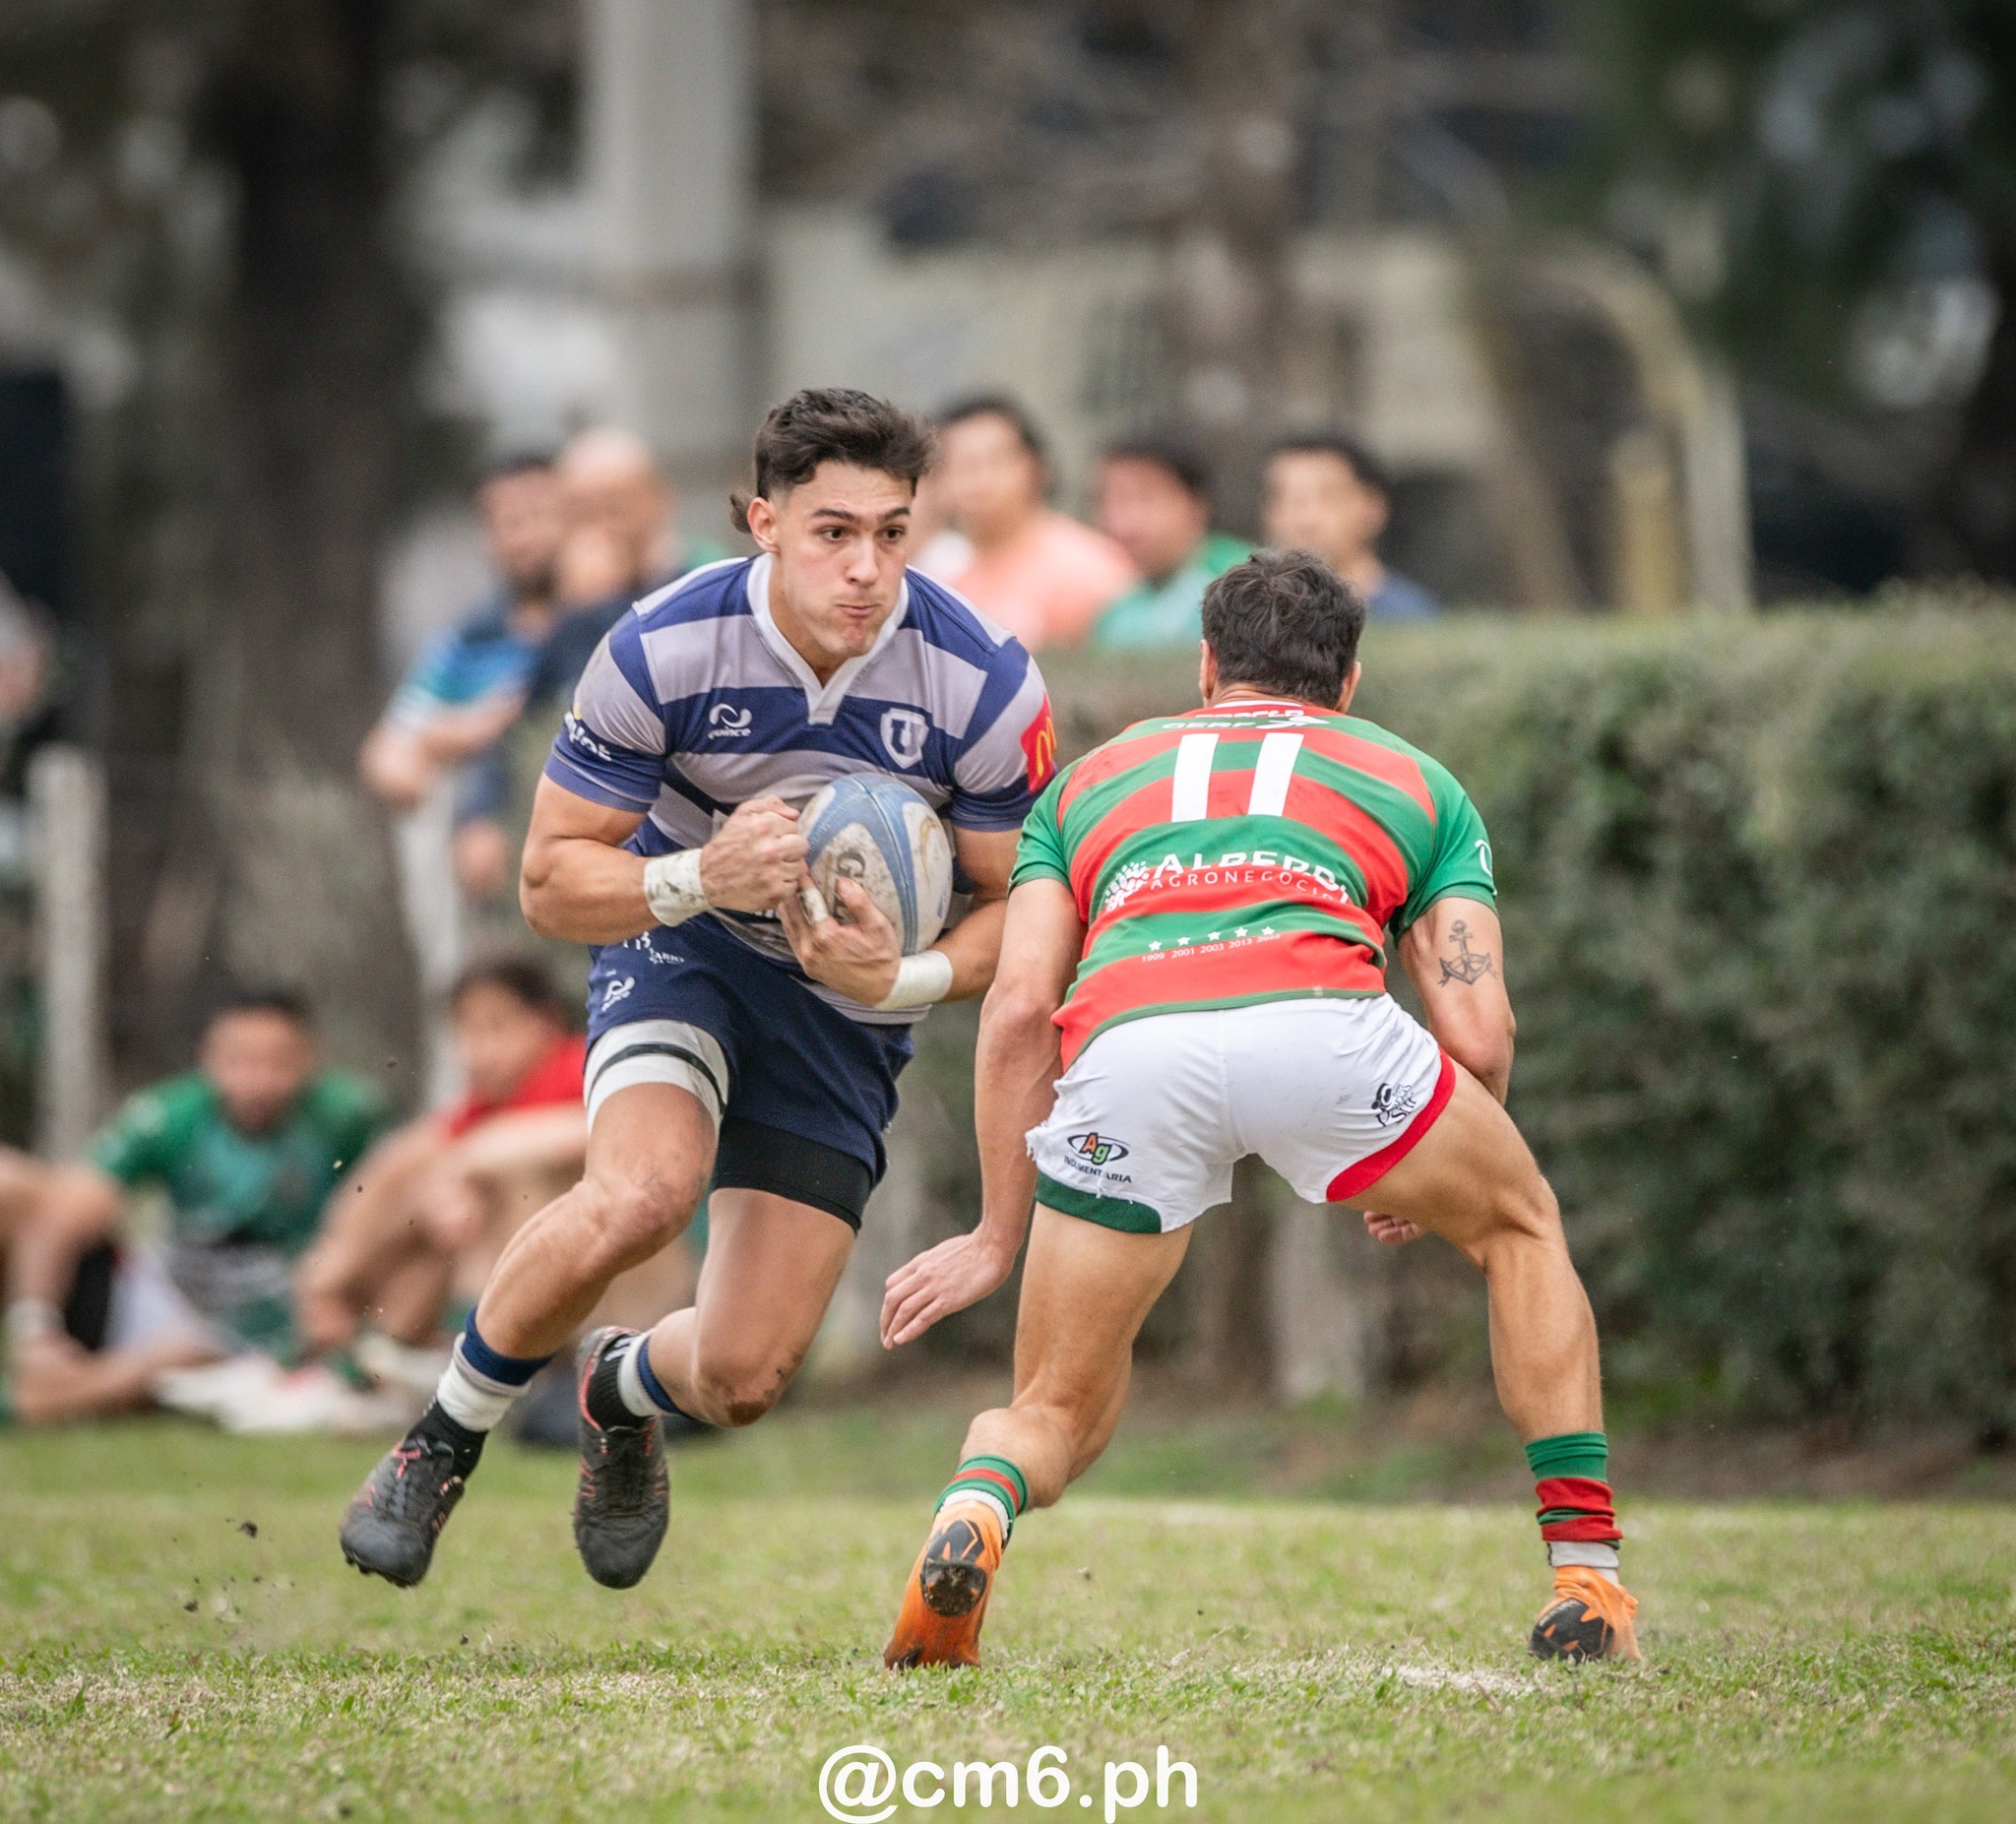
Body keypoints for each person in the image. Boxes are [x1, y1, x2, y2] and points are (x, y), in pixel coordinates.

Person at [339, 387, 1060, 1592]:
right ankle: (441, 1438)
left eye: (891, 532)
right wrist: (693, 876)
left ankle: (616, 1385)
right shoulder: (661, 644)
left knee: (740, 1377)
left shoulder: (981, 678)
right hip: (684, 944)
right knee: (641, 1193)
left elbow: (1020, 915)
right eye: (833, 531)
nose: (866, 566)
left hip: (846, 1002)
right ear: (761, 521)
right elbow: (548, 882)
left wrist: (902, 972)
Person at [877, 550, 1637, 1669]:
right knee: (1521, 1227)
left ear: (1204, 665)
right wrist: (1430, 1167)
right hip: (1325, 1034)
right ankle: (1586, 1577)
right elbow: (1478, 1033)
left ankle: (979, 1499)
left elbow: (1021, 1008)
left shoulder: (1086, 785)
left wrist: (997, 1232)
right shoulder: (1418, 781)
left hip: (1130, 1052)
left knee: (1054, 1408)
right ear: (1349, 681)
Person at [2, 990, 389, 1424]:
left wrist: (340, 1294)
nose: (258, 1080)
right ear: (209, 1059)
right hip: (171, 1297)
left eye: (277, 1062)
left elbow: (393, 1219)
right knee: (10, 1182)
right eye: (240, 1060)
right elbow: (69, 1208)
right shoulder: (168, 1114)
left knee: (186, 1358)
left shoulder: (350, 1118)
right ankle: (56, 1381)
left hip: (281, 1321)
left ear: (309, 1060)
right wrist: (36, 1329)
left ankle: (33, 1403)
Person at [448, 428, 732, 903]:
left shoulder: (707, 589)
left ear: (656, 503)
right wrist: (478, 815)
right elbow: (523, 717)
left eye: (613, 508)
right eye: (580, 514)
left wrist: (606, 605)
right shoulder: (572, 614)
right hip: (591, 847)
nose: (597, 529)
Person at [935, 397, 1136, 651]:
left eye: (995, 461)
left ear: (1037, 466)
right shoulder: (949, 586)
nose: (980, 479)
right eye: (963, 465)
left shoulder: (1088, 569)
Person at [1090, 437, 1251, 649]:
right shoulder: (1115, 615)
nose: (1122, 522)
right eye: (1111, 500)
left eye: (1144, 498)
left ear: (1195, 504)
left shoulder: (1246, 583)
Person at [1262, 433, 1440, 621]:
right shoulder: (1252, 618)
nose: (1305, 520)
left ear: (1373, 507)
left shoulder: (1409, 619)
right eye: (1284, 498)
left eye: (1328, 497)